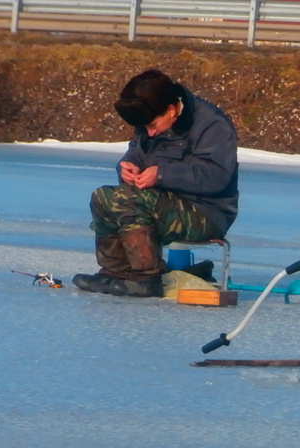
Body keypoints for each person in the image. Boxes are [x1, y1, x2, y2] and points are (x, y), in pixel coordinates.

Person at [73, 69, 239, 297]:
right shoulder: (149, 121)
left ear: (171, 110)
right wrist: (127, 168)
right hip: (159, 203)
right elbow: (134, 155)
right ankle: (116, 271)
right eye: (145, 128)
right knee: (102, 197)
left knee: (129, 198)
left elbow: (216, 176)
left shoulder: (212, 124)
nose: (149, 133)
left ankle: (146, 278)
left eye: (152, 125)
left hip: (206, 213)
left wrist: (160, 175)